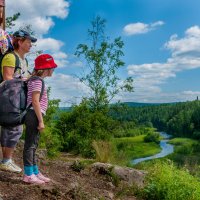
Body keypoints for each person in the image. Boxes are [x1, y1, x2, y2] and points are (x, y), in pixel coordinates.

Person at [0, 29, 37, 173]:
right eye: (28, 42)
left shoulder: (24, 60)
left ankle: (6, 160)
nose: (31, 45)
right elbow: (7, 78)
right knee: (14, 126)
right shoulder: (10, 57)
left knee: (13, 127)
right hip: (8, 98)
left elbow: (23, 76)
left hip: (16, 98)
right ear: (20, 42)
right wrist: (23, 79)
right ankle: (6, 161)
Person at [23, 54, 57, 184]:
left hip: (35, 114)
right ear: (45, 69)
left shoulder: (36, 80)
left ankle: (35, 171)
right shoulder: (37, 81)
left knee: (34, 145)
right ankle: (28, 174)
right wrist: (41, 121)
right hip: (33, 114)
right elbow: (35, 101)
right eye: (52, 67)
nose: (53, 70)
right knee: (30, 145)